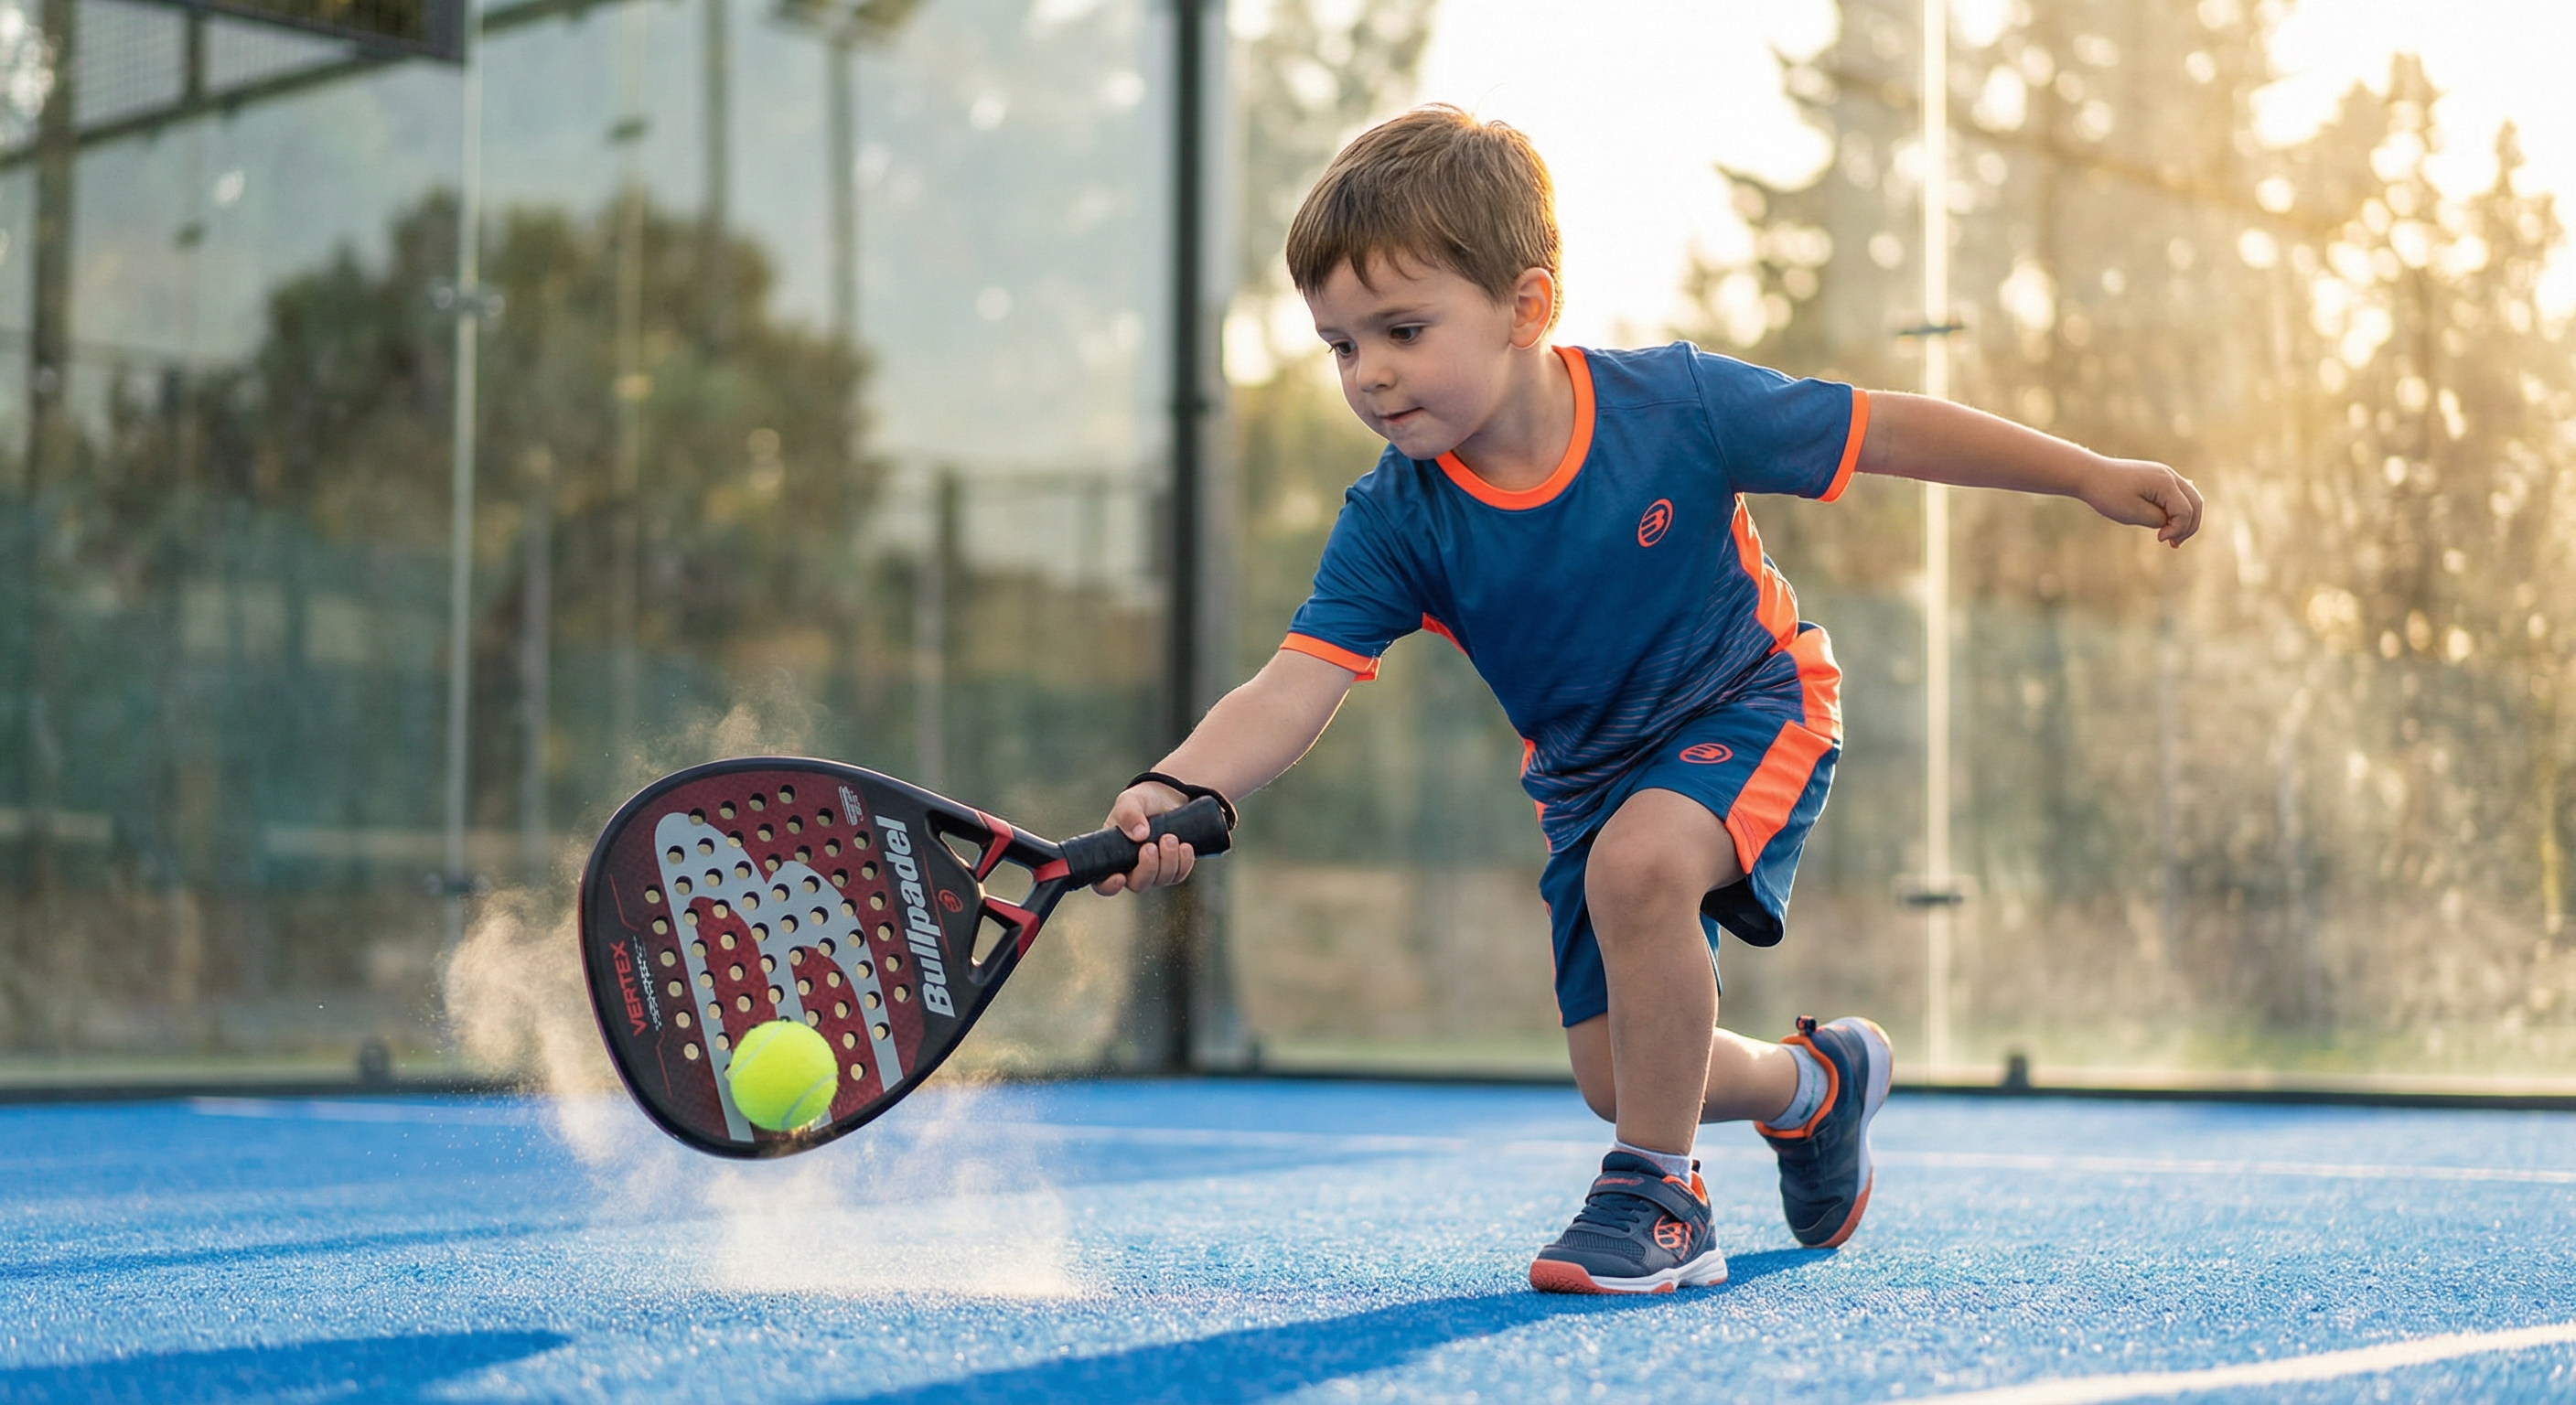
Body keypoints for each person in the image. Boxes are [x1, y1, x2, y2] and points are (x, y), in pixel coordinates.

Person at [1091, 105, 2202, 1294]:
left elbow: (1886, 431)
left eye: (1402, 330)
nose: (1370, 374)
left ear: (1526, 307)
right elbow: (1291, 689)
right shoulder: (1395, 518)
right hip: (1587, 784)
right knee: (1625, 1077)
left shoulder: (1674, 406)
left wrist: (2085, 474)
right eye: (1340, 345)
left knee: (1642, 872)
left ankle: (1664, 1201)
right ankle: (1816, 1088)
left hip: (1755, 700)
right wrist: (1176, 784)